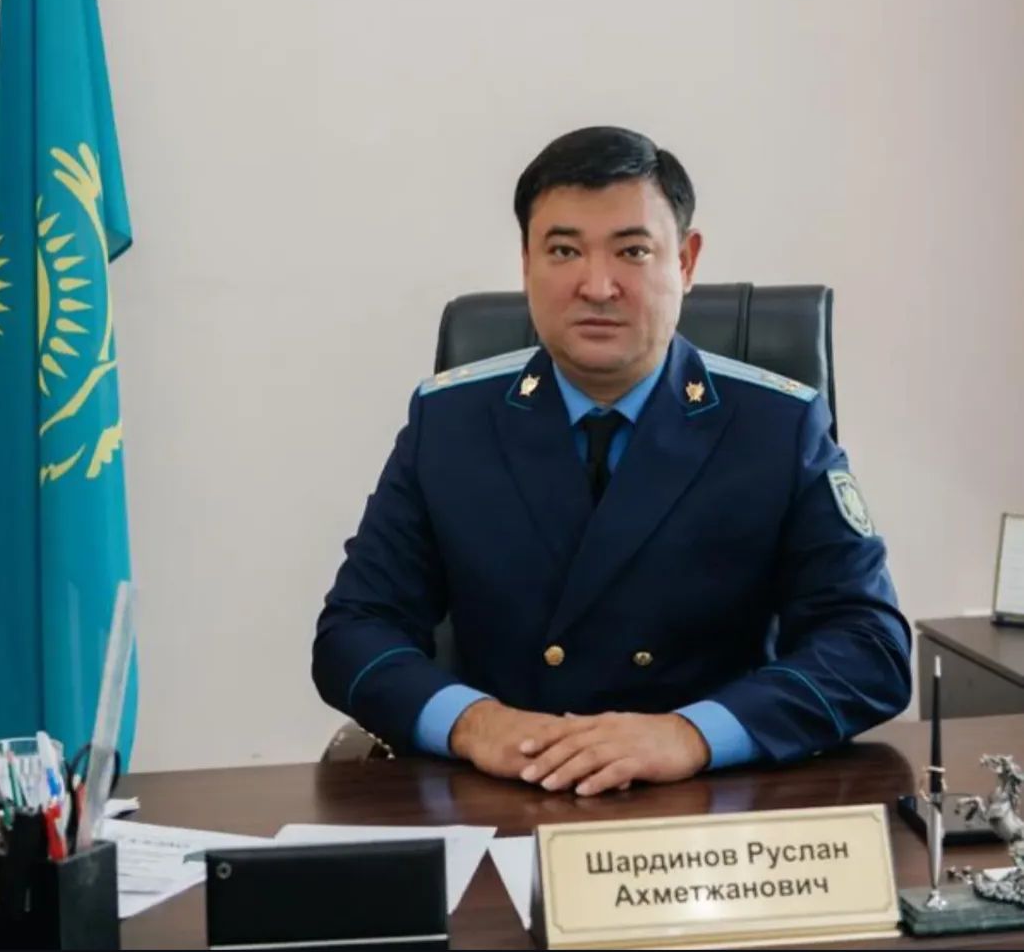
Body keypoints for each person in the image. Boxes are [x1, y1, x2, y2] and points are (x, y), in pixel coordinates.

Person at [313, 127, 911, 794]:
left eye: (632, 251)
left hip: (711, 803)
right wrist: (474, 723)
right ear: (526, 262)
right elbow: (354, 631)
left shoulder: (777, 425)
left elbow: (871, 647)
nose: (597, 286)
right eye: (564, 250)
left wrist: (693, 733)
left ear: (685, 260)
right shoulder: (451, 422)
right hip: (510, 791)